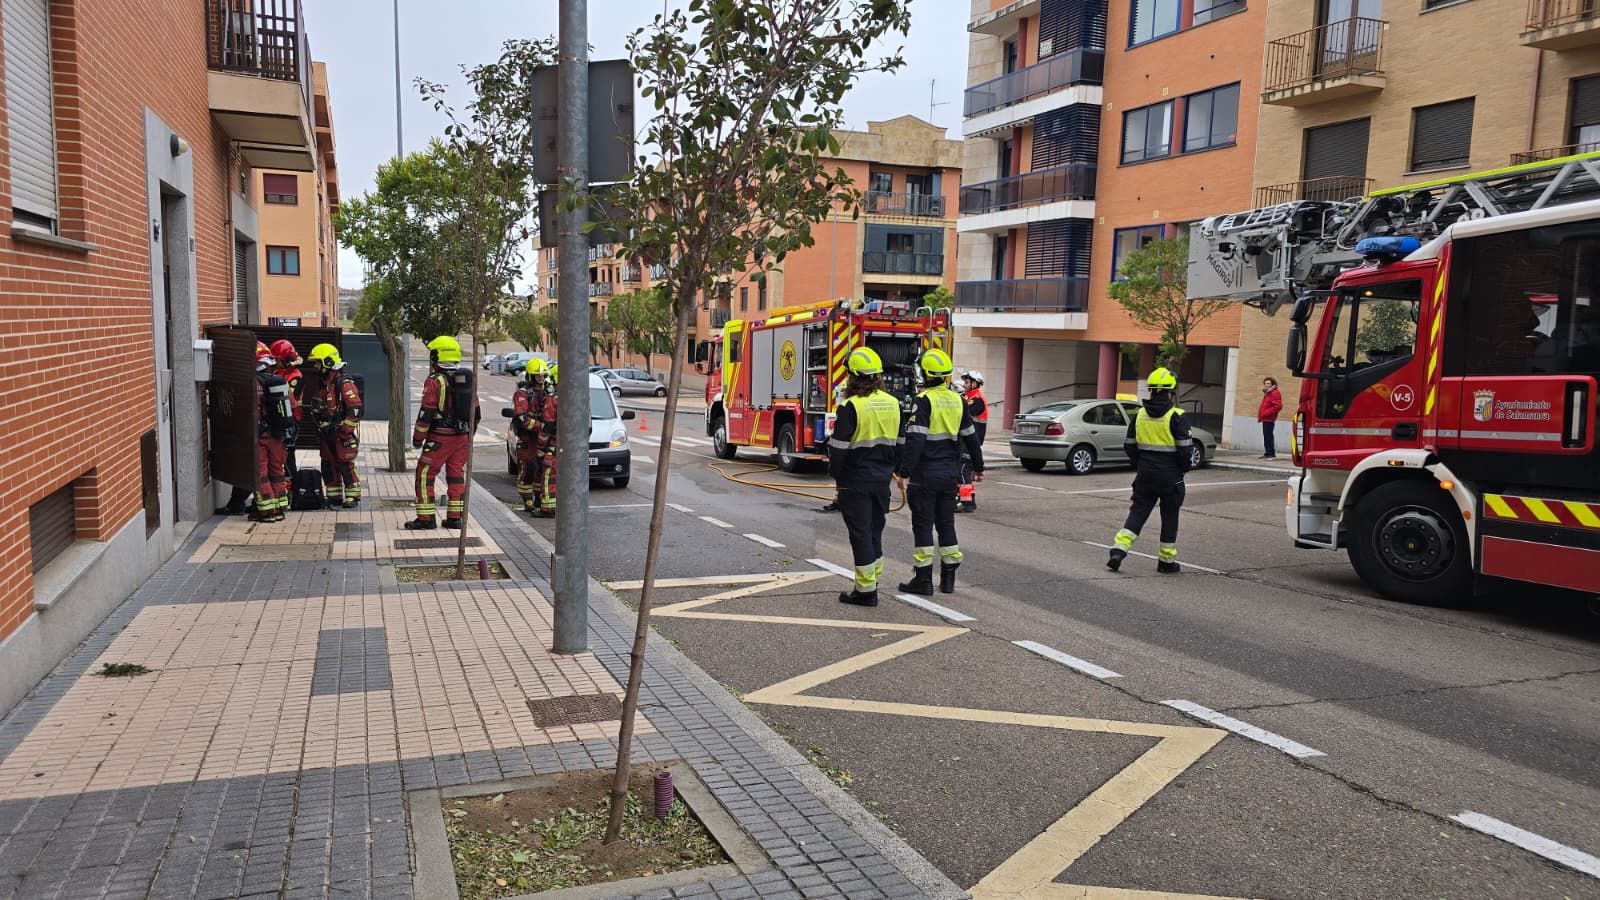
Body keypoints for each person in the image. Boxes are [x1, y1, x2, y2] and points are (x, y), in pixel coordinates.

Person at [895, 349, 984, 596]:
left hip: (925, 474)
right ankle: (948, 579)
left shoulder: (923, 400)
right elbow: (971, 437)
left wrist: (904, 473)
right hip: (949, 474)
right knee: (946, 523)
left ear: (925, 374)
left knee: (923, 525)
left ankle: (923, 580)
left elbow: (916, 440)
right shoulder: (958, 400)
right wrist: (978, 466)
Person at [828, 347, 902, 607]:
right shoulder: (893, 403)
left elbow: (838, 449)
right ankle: (873, 582)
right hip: (882, 481)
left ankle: (865, 591)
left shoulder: (850, 406)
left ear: (853, 376)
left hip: (855, 481)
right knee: (874, 532)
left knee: (860, 534)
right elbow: (901, 443)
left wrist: (836, 479)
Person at [1107, 367, 1192, 575]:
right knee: (1169, 517)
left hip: (1145, 473)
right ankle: (1166, 562)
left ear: (1151, 391)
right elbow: (1185, 450)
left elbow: (1129, 445)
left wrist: (1141, 463)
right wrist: (1182, 469)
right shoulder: (1177, 416)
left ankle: (1119, 550)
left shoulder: (1139, 415)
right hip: (1170, 476)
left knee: (1138, 512)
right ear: (1171, 392)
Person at [410, 336, 479, 529]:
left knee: (425, 474)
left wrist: (417, 439)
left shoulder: (435, 381)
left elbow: (426, 413)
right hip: (461, 437)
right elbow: (477, 412)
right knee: (456, 475)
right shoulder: (466, 379)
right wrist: (468, 437)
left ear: (436, 356)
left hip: (439, 437)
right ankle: (455, 518)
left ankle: (426, 519)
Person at [307, 343, 364, 508]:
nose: (315, 366)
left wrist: (345, 431)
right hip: (327, 434)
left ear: (328, 362)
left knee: (345, 466)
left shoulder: (343, 383)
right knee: (328, 466)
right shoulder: (325, 385)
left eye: (318, 362)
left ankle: (352, 498)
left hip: (340, 435)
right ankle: (334, 497)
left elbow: (355, 409)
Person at [253, 342, 291, 523]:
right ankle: (280, 507)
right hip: (278, 436)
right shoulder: (278, 381)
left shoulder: (253, 384)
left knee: (260, 472)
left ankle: (268, 511)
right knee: (277, 471)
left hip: (260, 436)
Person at [512, 359, 550, 514]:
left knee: (543, 470)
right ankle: (527, 500)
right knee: (528, 469)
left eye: (542, 375)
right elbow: (522, 418)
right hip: (529, 440)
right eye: (537, 375)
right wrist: (542, 427)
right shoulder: (522, 393)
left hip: (546, 439)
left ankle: (539, 498)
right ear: (530, 376)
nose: (540, 378)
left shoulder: (551, 391)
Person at [270, 339, 304, 477]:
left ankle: (293, 492)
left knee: (288, 459)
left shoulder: (295, 377)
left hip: (291, 422)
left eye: (278, 360)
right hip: (279, 419)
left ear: (287, 359)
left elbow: (287, 398)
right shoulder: (279, 372)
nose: (275, 363)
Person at [956, 370, 988, 513]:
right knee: (965, 472)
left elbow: (963, 414)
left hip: (971, 441)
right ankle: (970, 500)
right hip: (967, 440)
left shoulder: (977, 399)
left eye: (967, 382)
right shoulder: (968, 397)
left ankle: (967, 503)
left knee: (963, 471)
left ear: (975, 383)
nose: (964, 384)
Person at [533, 364, 559, 518]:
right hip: (573, 448)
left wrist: (541, 448)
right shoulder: (579, 397)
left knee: (549, 477)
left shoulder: (553, 399)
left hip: (554, 447)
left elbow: (547, 425)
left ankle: (547, 509)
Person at [1258, 376, 1283, 460]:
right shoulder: (1268, 393)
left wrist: (1266, 413)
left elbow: (1278, 406)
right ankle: (1268, 453)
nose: (1266, 385)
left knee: (1268, 436)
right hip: (1266, 418)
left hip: (1269, 418)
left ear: (1272, 384)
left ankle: (1270, 454)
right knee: (1267, 436)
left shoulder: (1274, 393)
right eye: (1265, 383)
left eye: (1268, 383)